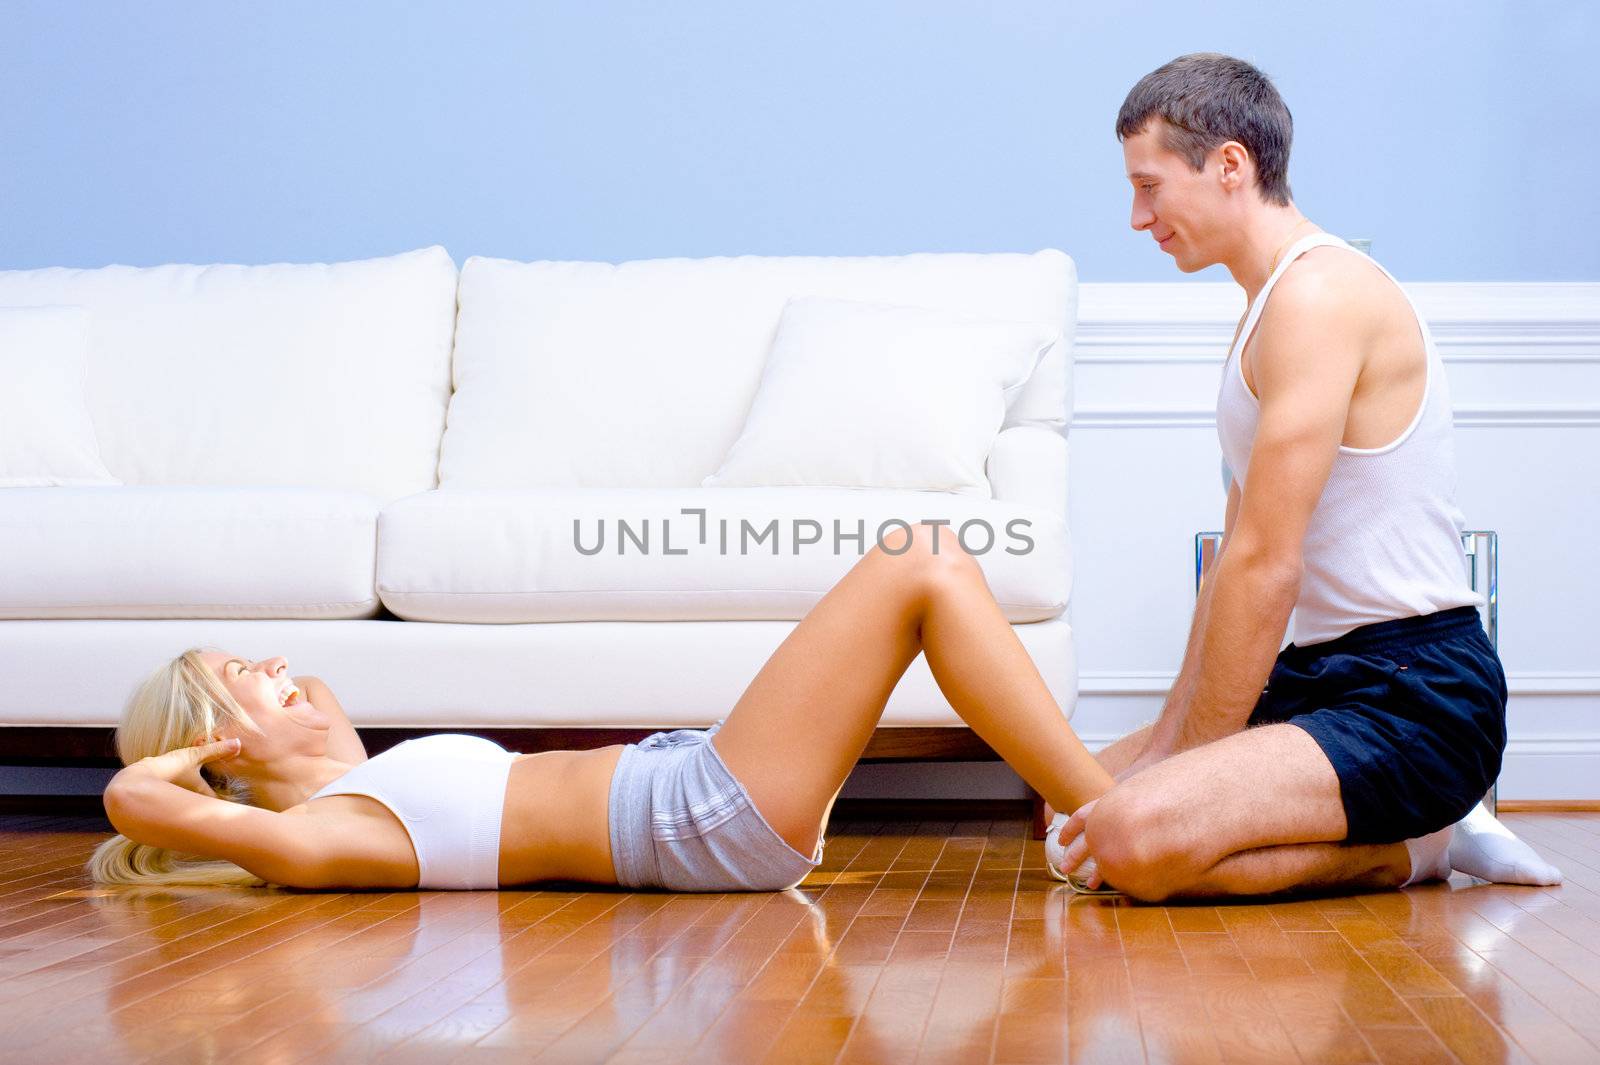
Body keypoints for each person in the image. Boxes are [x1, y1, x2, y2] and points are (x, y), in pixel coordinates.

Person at [1051, 53, 1560, 899]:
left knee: (1133, 840)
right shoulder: (1261, 313)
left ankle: (1425, 844)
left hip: (1420, 694)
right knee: (1072, 816)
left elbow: (1268, 566)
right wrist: (1163, 753)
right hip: (1319, 678)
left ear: (1229, 166)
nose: (1139, 218)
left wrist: (1183, 782)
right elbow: (1230, 571)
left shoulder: (1321, 299)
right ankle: (1405, 832)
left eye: (1150, 188)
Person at [91, 523, 1113, 891]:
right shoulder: (319, 841)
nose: (280, 665)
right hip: (692, 815)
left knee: (923, 567)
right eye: (245, 678)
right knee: (918, 561)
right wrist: (188, 769)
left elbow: (317, 715)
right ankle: (1113, 819)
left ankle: (1103, 808)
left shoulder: (352, 787)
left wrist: (266, 709)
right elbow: (137, 801)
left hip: (690, 788)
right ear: (217, 748)